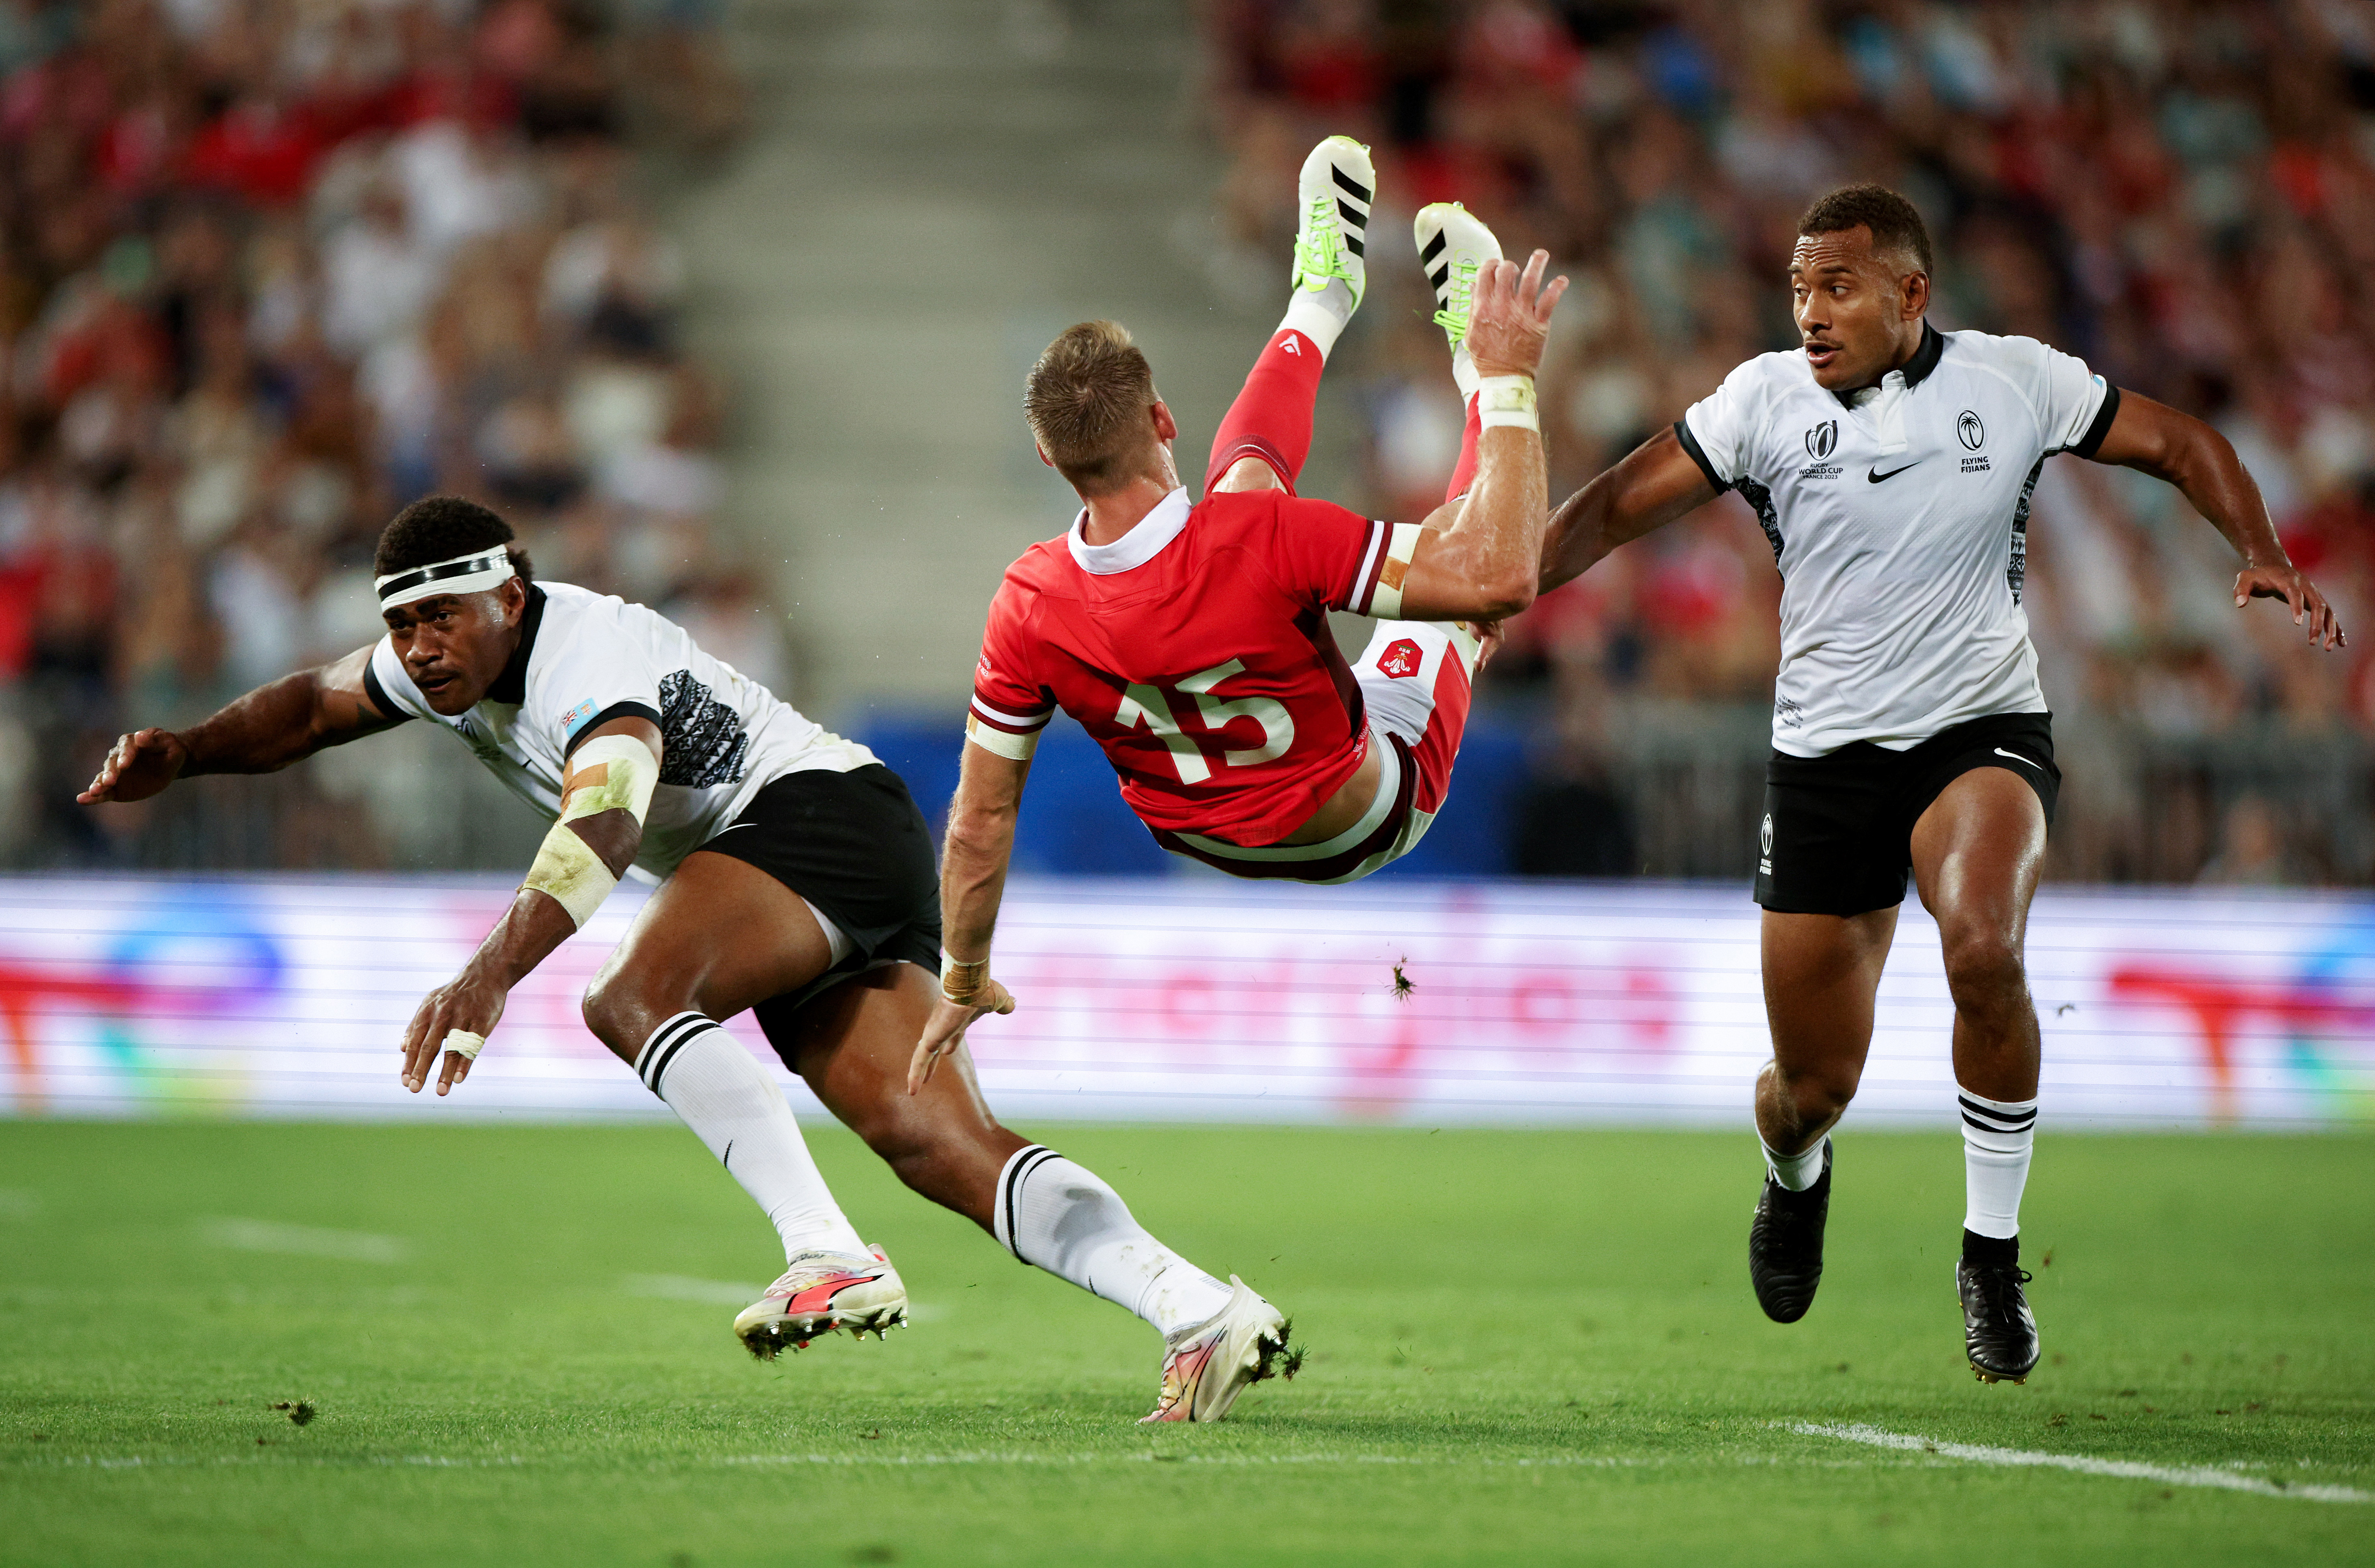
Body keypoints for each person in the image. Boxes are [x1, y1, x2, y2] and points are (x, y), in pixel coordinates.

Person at [78, 495, 1295, 1424]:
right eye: (401, 624)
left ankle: (827, 1255)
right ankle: (1199, 1308)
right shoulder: (437, 665)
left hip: (811, 819)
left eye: (441, 617)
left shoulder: (586, 660)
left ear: (510, 594)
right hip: (831, 843)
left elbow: (605, 827)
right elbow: (307, 708)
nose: (420, 646)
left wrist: (489, 971)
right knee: (937, 1143)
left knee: (632, 998)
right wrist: (185, 751)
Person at [1534, 184, 2348, 1383]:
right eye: (1799, 289)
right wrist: (1505, 590)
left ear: (1911, 293)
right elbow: (1613, 505)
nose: (1810, 313)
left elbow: (2180, 443)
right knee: (1809, 1087)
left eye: (1837, 287)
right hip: (1823, 761)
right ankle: (1794, 1172)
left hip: (1979, 731)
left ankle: (1988, 1257)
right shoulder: (1760, 401)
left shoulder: (2012, 381)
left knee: (1981, 947)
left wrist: (2261, 552)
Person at [910, 136, 1564, 1089]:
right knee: (1454, 594)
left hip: (1202, 834)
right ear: (1163, 420)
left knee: (1245, 489)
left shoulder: (1026, 601)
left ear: (1050, 459)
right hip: (1364, 814)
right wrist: (1507, 375)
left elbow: (978, 819)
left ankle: (1322, 294)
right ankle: (1474, 357)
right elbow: (1501, 574)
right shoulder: (1267, 541)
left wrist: (962, 975)